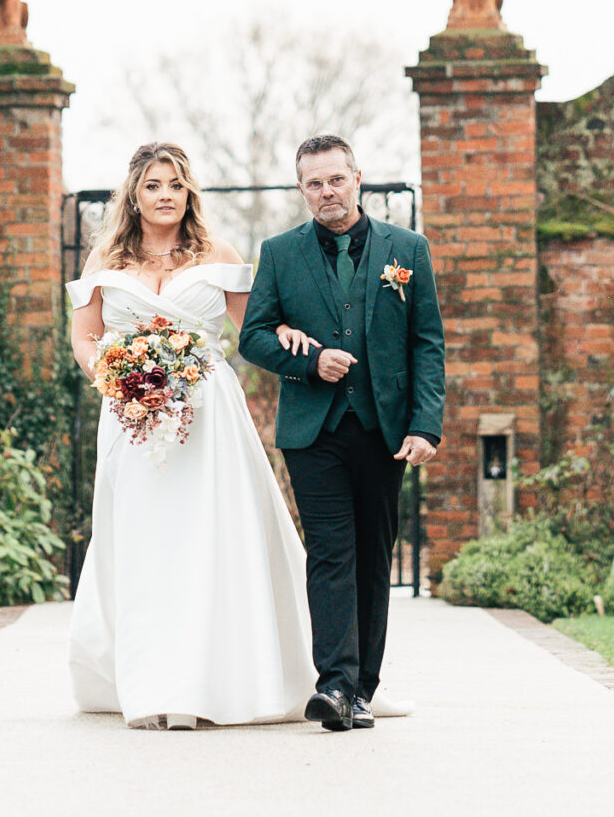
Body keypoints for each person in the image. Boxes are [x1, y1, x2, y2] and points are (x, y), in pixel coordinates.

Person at [65, 141, 313, 729]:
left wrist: (294, 339)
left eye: (176, 185)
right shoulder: (104, 260)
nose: (165, 195)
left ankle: (213, 679)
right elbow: (84, 337)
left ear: (189, 193)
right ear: (134, 194)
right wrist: (118, 379)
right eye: (153, 185)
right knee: (144, 540)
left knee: (208, 535)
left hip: (209, 417)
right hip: (132, 418)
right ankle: (152, 684)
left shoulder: (216, 252)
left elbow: (254, 328)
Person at [239, 133, 446, 733]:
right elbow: (253, 335)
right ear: (300, 188)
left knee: (373, 558)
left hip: (385, 429)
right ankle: (332, 683)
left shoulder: (407, 248)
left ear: (358, 178)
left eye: (335, 179)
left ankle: (364, 690)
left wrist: (425, 424)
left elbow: (426, 343)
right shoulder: (279, 253)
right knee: (330, 553)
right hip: (314, 429)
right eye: (313, 183)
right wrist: (306, 361)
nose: (326, 192)